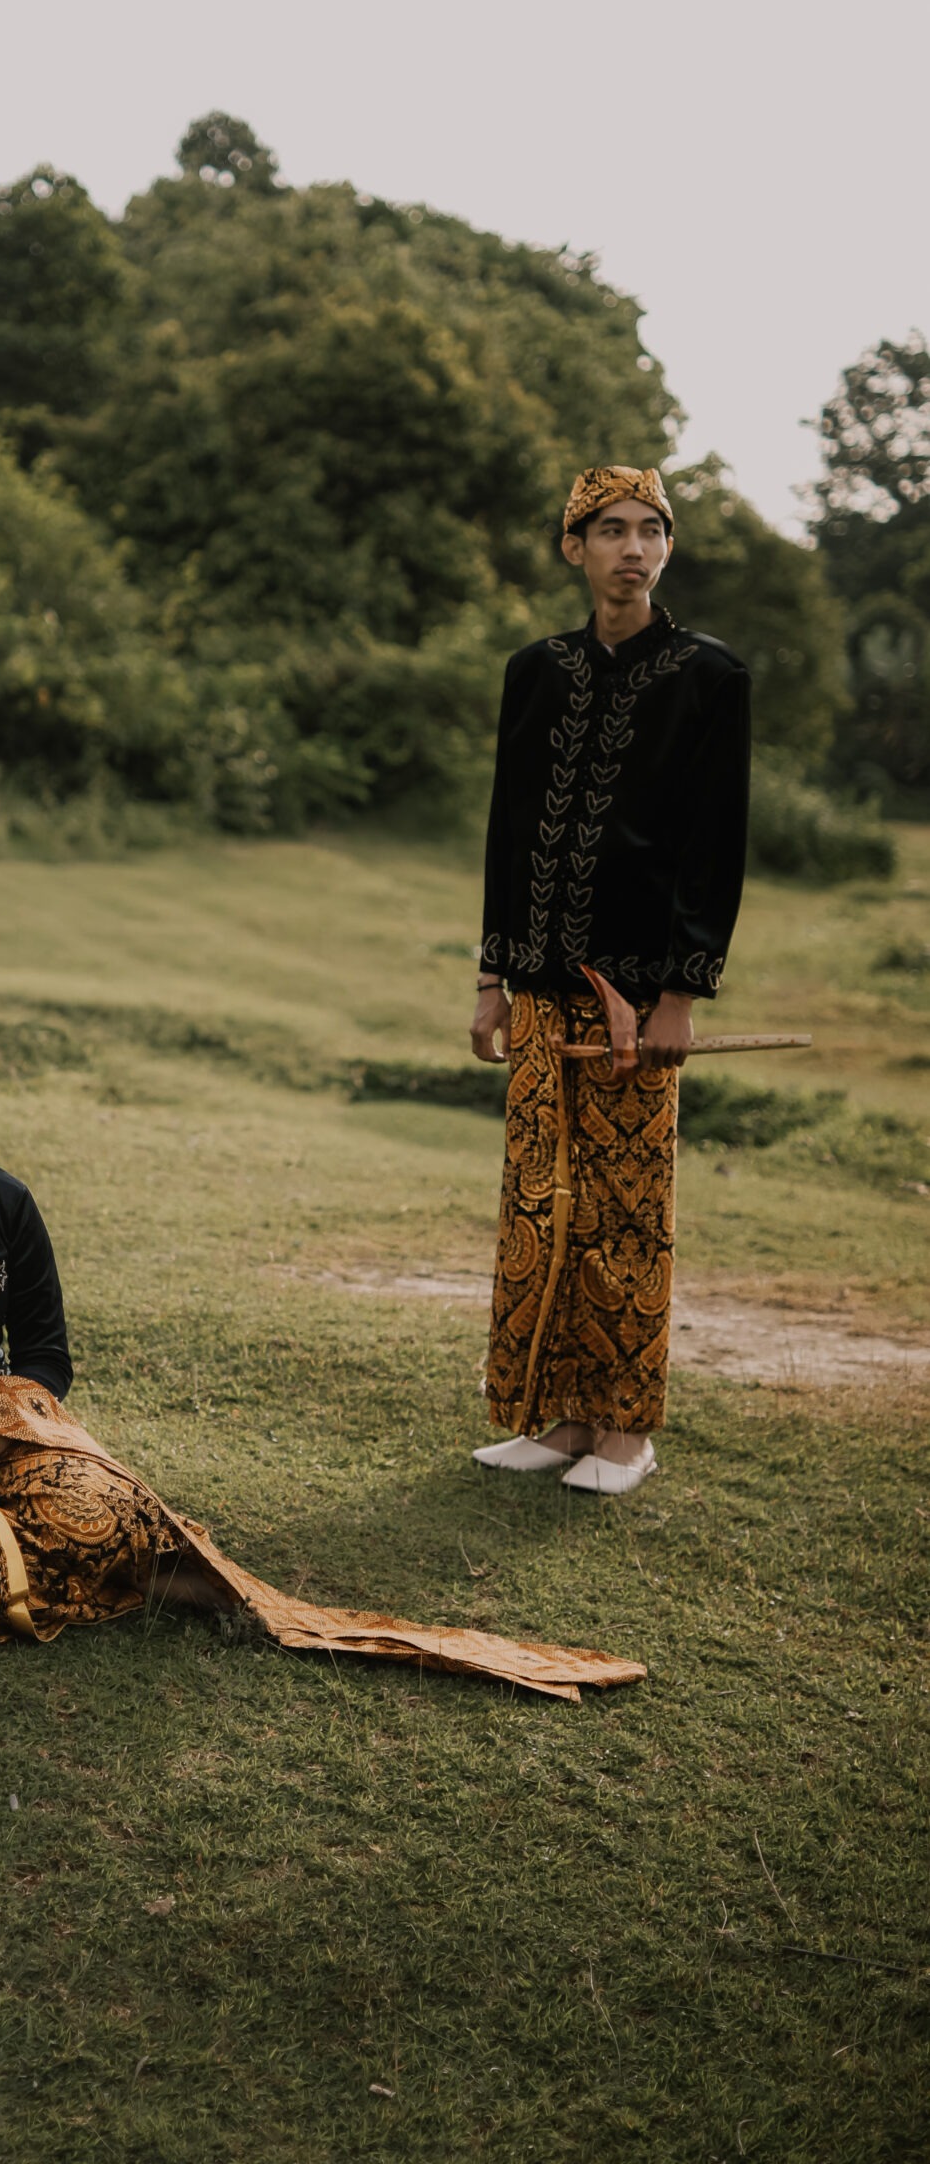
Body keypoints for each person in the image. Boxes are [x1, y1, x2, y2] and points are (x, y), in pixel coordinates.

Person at [0, 992, 646, 1700]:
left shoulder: (2, 1202)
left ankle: (125, 1565)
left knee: (109, 1512)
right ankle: (111, 1576)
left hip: (1, 1446)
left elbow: (44, 1355)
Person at [470, 467, 751, 1494]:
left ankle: (627, 1430)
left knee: (627, 1211)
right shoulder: (534, 671)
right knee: (542, 1202)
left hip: (634, 1000)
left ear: (667, 549)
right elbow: (507, 831)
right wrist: (493, 976)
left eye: (650, 531)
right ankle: (563, 1418)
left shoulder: (709, 677)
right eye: (610, 531)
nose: (632, 549)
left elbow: (714, 844)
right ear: (574, 548)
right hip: (540, 991)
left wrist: (682, 991)